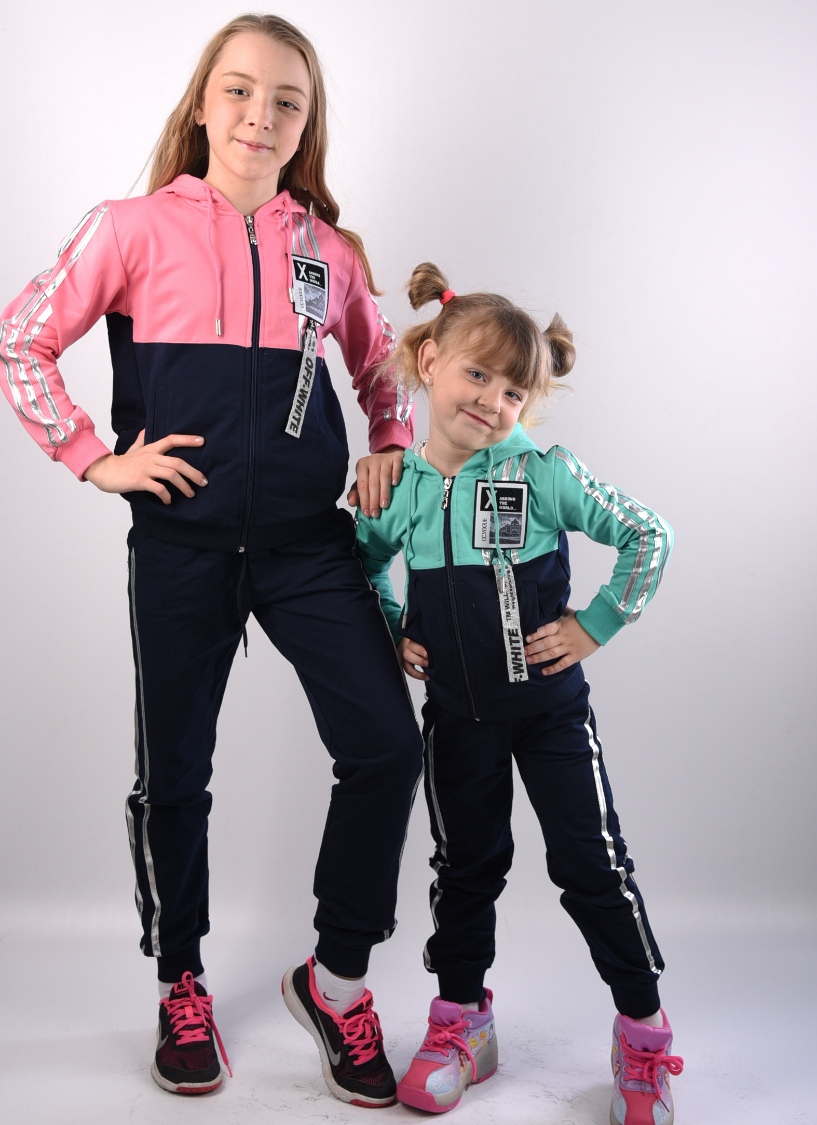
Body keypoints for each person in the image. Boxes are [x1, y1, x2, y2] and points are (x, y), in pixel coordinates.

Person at [0, 14, 423, 1108]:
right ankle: (179, 978)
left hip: (307, 546)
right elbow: (21, 338)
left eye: (286, 100)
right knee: (175, 773)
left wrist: (389, 442)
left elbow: (383, 369)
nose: (258, 115)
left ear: (305, 124)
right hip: (182, 545)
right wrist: (94, 459)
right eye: (238, 91)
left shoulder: (329, 252)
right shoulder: (130, 228)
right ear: (202, 104)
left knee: (386, 746)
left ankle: (335, 981)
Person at [355, 263, 684, 1122]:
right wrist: (391, 626)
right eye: (477, 374)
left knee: (591, 865)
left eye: (512, 391)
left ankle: (644, 1035)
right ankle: (462, 1021)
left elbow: (648, 533)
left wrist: (594, 624)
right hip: (456, 719)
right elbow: (361, 568)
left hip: (549, 715)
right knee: (466, 868)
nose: (492, 401)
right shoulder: (398, 486)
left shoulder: (541, 470)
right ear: (428, 360)